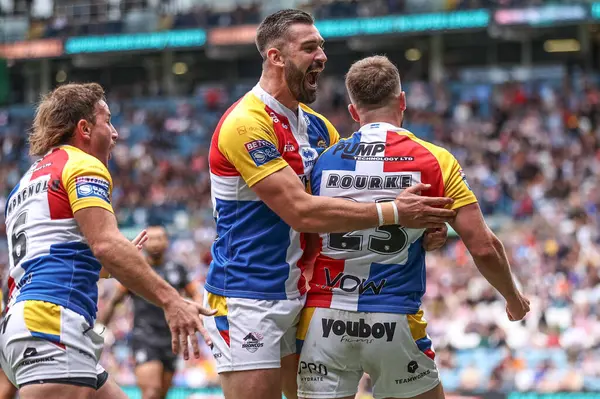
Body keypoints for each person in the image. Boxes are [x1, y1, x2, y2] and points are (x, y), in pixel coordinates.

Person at [203, 9, 457, 399]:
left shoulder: (320, 127)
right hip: (248, 294)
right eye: (309, 48)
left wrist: (420, 231)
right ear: (276, 57)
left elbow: (353, 205)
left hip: (306, 296)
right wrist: (396, 213)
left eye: (321, 47)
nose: (322, 56)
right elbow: (300, 211)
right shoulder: (245, 122)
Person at [295, 55, 531, 399]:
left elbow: (307, 227)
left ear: (353, 111)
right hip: (392, 319)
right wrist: (513, 297)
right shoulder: (434, 159)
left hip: (323, 319)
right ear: (402, 101)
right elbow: (482, 246)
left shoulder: (322, 162)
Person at [1, 83, 215, 399]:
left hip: (24, 321)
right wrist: (171, 300)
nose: (115, 133)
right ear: (85, 128)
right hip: (53, 322)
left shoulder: (26, 181)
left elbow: (67, 254)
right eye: (108, 121)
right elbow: (105, 245)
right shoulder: (83, 165)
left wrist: (114, 261)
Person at [97, 225, 203, 399]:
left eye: (159, 238)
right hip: (144, 336)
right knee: (151, 392)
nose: (155, 243)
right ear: (144, 244)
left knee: (161, 394)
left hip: (172, 338)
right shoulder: (134, 269)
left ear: (167, 242)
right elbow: (115, 300)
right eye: (150, 239)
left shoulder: (178, 269)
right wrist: (100, 331)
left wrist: (196, 313)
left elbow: (196, 295)